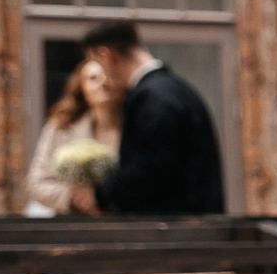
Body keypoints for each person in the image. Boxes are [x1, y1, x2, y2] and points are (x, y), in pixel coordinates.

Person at [68, 21, 226, 217]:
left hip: (175, 224)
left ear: (107, 55)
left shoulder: (153, 96)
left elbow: (152, 167)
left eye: (98, 64)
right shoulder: (173, 88)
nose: (105, 79)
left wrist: (101, 195)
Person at [24, 56, 124, 216]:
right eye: (93, 78)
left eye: (109, 75)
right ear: (82, 88)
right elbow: (37, 182)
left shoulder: (137, 126)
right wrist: (75, 197)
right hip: (71, 218)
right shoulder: (61, 127)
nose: (103, 82)